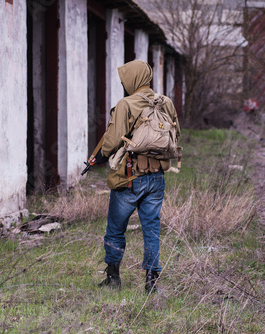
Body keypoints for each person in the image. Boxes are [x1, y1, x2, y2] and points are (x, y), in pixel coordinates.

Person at [94, 60, 180, 292]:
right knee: (151, 229)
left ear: (132, 79)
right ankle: (151, 282)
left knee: (115, 228)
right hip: (156, 178)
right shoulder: (165, 102)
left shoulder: (126, 104)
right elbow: (176, 134)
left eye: (124, 80)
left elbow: (111, 142)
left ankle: (113, 279)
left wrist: (100, 156)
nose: (123, 83)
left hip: (129, 178)